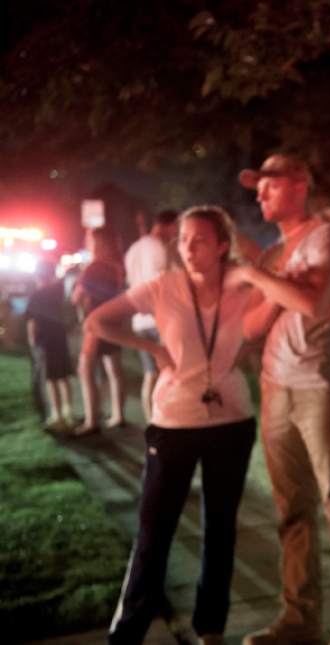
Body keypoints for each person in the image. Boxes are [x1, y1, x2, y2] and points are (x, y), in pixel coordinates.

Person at [86, 206, 258, 645]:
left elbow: (270, 313)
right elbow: (97, 320)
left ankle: (211, 629)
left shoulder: (240, 285)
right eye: (183, 240)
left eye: (199, 239)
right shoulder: (164, 286)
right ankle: (129, 632)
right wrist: (149, 347)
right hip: (174, 421)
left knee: (220, 529)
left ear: (222, 245)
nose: (188, 248)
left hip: (232, 420)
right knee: (154, 531)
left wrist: (240, 351)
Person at [237, 154, 330, 645]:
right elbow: (250, 327)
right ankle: (299, 618)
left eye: (269, 185)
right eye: (258, 189)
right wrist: (279, 285)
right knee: (290, 511)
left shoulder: (327, 237)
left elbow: (312, 302)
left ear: (299, 185)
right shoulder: (275, 253)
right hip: (277, 386)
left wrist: (259, 280)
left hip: (324, 387)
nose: (260, 195)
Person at [124, 208, 179, 422]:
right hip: (159, 320)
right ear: (169, 225)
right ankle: (164, 421)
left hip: (139, 321)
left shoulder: (133, 249)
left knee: (150, 374)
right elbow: (163, 283)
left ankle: (151, 422)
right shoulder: (158, 247)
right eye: (177, 227)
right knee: (168, 373)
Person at [72, 227, 126, 434]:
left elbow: (77, 296)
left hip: (94, 324)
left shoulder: (93, 268)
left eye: (89, 240)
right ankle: (118, 414)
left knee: (85, 370)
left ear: (98, 243)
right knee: (114, 369)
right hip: (113, 322)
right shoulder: (116, 266)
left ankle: (92, 420)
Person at [25, 260, 75, 431]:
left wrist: (32, 343)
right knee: (63, 377)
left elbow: (31, 322)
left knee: (50, 379)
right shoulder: (58, 292)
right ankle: (69, 412)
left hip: (44, 342)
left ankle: (56, 414)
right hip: (59, 340)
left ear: (37, 276)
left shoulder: (36, 295)